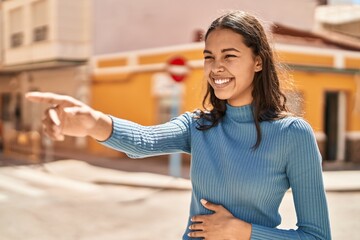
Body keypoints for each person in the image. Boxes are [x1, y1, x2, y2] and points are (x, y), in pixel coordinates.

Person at [26, 10, 331, 240]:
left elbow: (316, 235)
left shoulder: (293, 135)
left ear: (258, 62)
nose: (216, 67)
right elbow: (142, 141)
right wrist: (93, 122)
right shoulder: (199, 125)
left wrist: (245, 232)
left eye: (230, 55)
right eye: (209, 57)